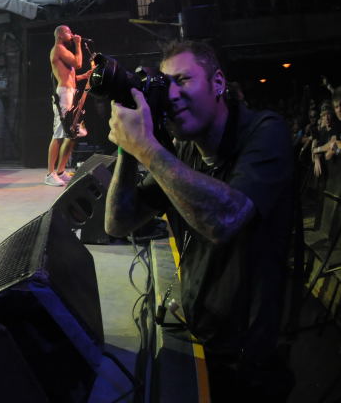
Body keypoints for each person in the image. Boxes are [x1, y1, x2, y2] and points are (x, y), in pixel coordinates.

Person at [105, 40, 294, 401]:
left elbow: (225, 219)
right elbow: (119, 222)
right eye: (166, 85)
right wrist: (127, 150)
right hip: (202, 330)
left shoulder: (265, 132)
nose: (172, 95)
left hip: (249, 353)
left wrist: (146, 146)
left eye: (183, 80)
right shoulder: (185, 151)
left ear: (217, 82)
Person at [45, 25, 90, 186]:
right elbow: (78, 63)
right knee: (58, 134)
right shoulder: (58, 49)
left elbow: (69, 75)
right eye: (68, 32)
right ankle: (50, 174)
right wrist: (78, 44)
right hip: (63, 94)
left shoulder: (63, 51)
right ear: (60, 35)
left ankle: (61, 171)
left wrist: (83, 76)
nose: (71, 34)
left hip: (70, 92)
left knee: (72, 135)